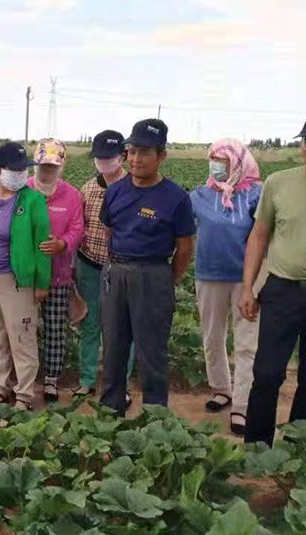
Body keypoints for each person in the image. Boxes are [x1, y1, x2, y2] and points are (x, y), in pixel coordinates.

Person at [240, 112, 306, 447]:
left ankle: (297, 451)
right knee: (267, 373)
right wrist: (248, 286)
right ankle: (257, 448)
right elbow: (258, 236)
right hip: (282, 290)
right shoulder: (278, 183)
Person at [99, 119, 196, 416]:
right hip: (117, 272)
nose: (136, 159)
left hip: (154, 274)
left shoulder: (175, 197)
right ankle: (111, 409)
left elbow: (185, 247)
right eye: (132, 151)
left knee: (151, 351)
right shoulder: (115, 191)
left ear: (161, 155)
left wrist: (165, 278)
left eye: (145, 152)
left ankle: (155, 416)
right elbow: (108, 231)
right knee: (114, 348)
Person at [190, 139, 263, 435]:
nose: (216, 166)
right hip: (209, 275)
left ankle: (242, 406)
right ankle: (222, 388)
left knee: (247, 342)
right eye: (213, 160)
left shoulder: (257, 194)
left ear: (239, 163)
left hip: (248, 279)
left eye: (223, 161)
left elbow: (266, 234)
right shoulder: (199, 195)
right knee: (212, 336)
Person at [0, 142, 51, 411]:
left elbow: (43, 245)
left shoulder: (33, 200)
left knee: (22, 336)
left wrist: (41, 282)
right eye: (14, 169)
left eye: (23, 169)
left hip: (16, 279)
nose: (20, 174)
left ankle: (25, 394)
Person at [76, 131, 135, 401]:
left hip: (122, 268)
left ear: (122, 156)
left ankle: (120, 384)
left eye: (108, 157)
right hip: (89, 265)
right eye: (98, 157)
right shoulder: (88, 189)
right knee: (90, 324)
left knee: (122, 328)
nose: (103, 162)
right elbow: (80, 228)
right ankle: (86, 380)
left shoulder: (135, 186)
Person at [26, 138, 84, 403]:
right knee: (24, 327)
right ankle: (24, 377)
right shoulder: (23, 190)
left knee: (54, 328)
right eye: (42, 166)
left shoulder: (72, 195)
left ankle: (51, 380)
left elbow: (77, 228)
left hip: (59, 275)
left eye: (52, 166)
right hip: (26, 275)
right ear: (34, 165)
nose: (46, 171)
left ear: (61, 167)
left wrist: (63, 244)